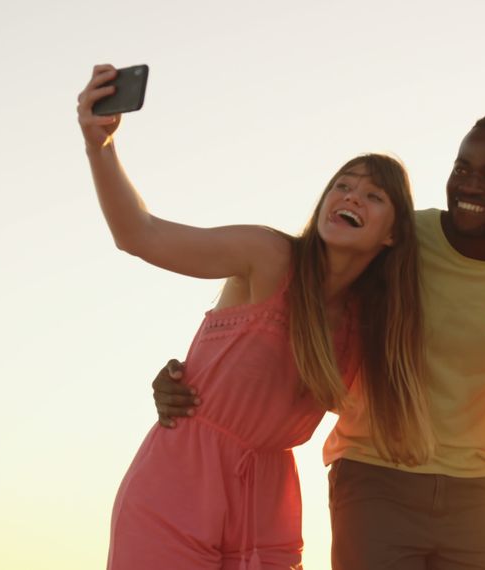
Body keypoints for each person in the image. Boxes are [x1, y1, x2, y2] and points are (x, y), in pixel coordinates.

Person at [152, 110, 485, 569]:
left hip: (477, 492)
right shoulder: (399, 237)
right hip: (373, 477)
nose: (469, 185)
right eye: (462, 168)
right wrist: (198, 376)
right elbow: (296, 297)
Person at [78, 64, 434, 570]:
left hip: (268, 502)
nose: (351, 196)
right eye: (343, 185)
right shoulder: (268, 256)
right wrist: (100, 147)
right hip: (178, 482)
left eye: (373, 196)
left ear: (392, 234)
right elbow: (140, 235)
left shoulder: (368, 326)